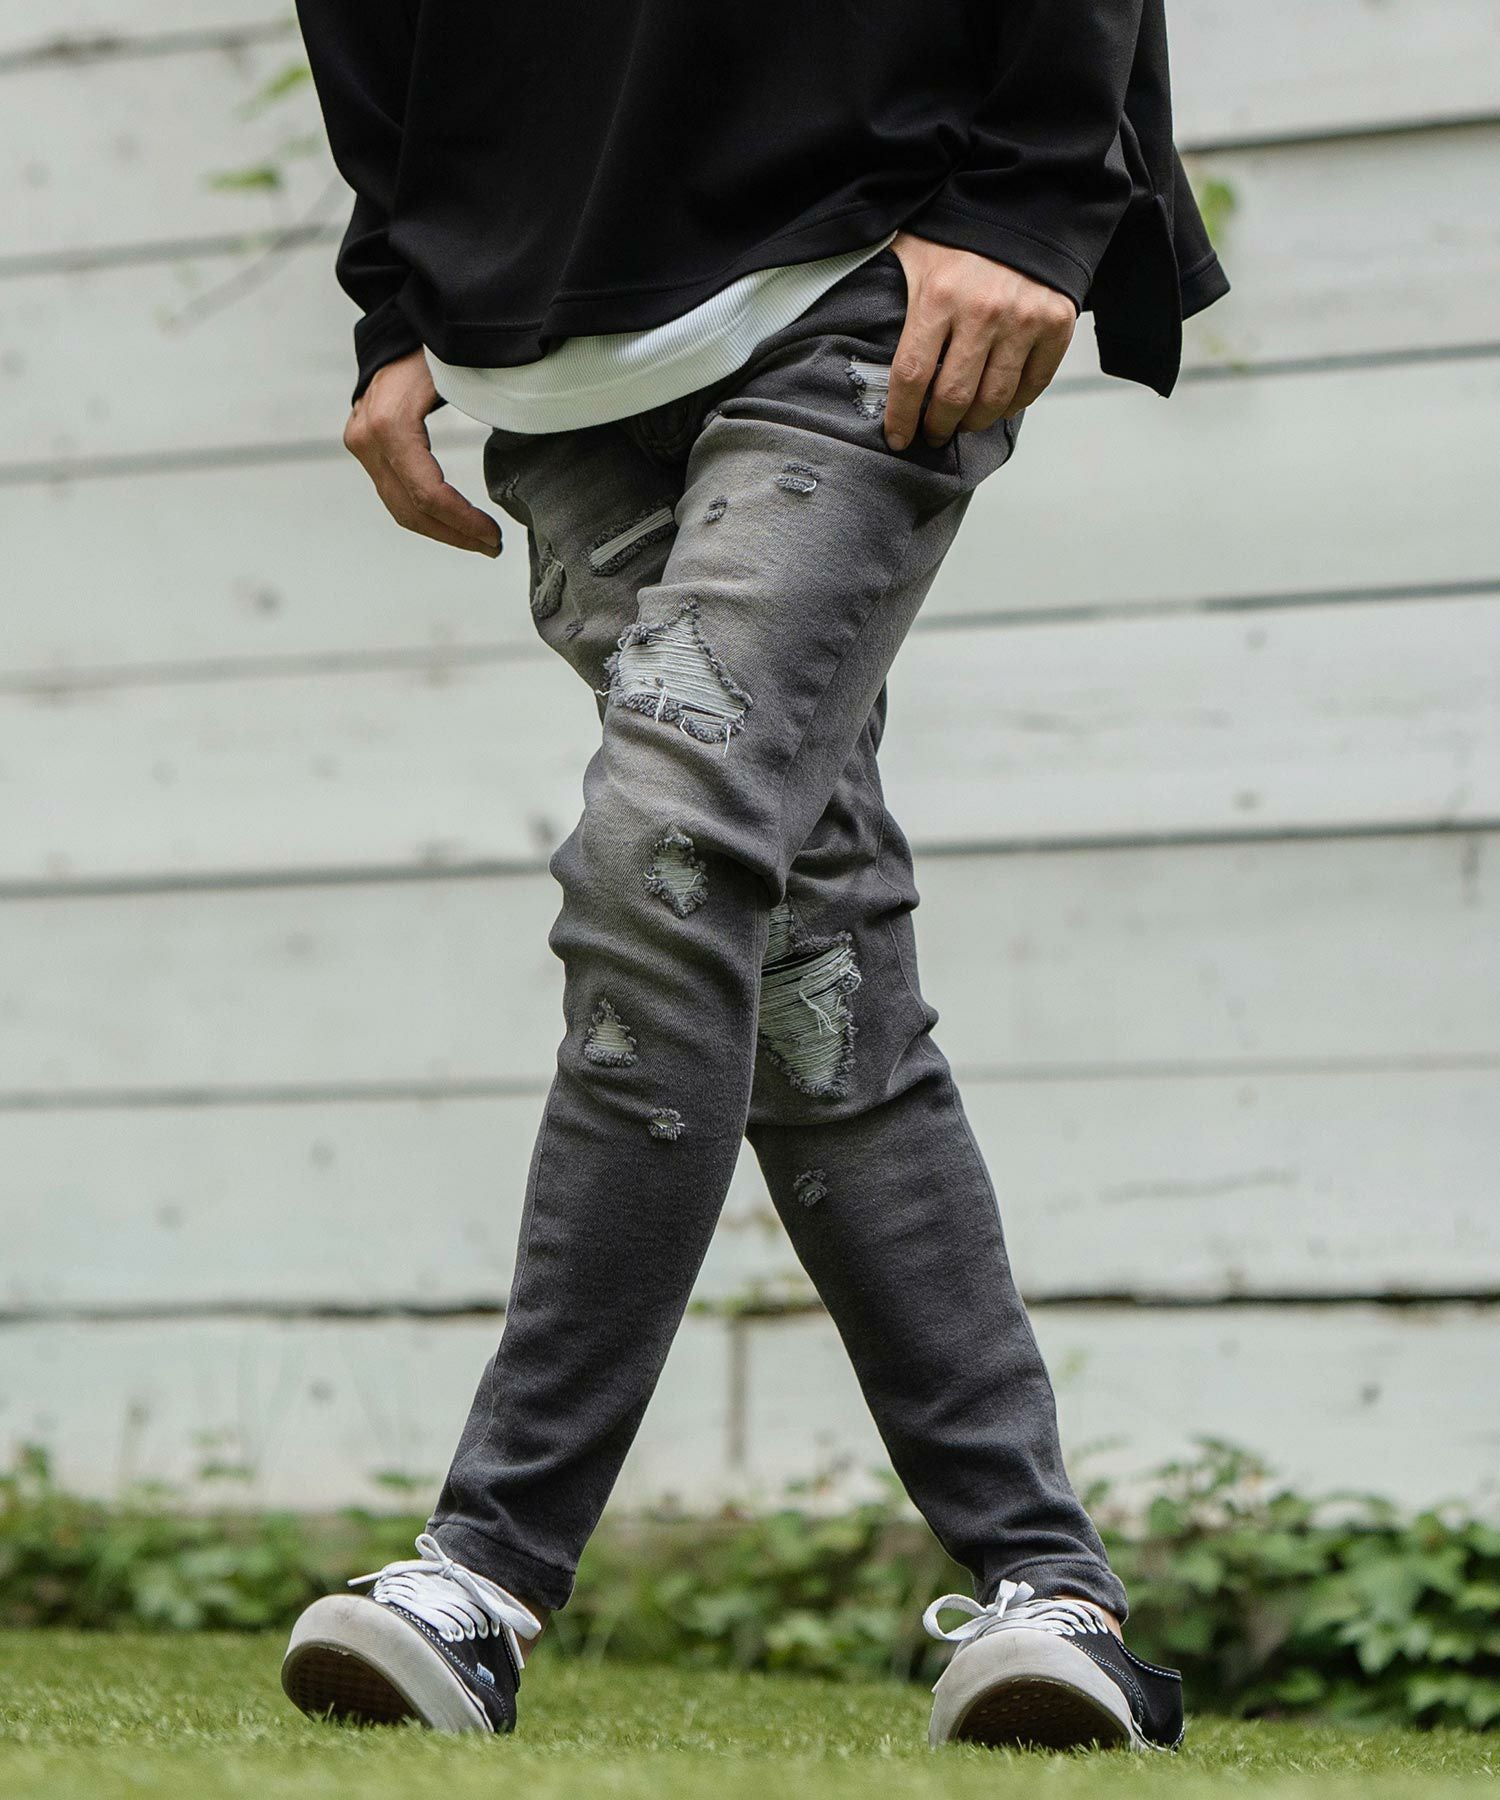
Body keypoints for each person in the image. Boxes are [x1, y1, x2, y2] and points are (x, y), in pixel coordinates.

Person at [280, 0, 1226, 1754]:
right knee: (812, 964)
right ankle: (1054, 1592)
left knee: (660, 860)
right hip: (551, 349)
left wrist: (1033, 193)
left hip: (868, 273)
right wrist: (393, 301)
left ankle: (483, 1569)